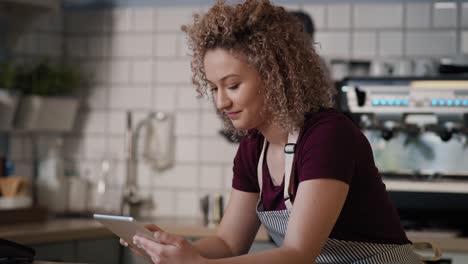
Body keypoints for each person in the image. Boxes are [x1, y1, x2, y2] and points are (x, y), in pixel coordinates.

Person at [121, 1, 422, 263]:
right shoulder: (253, 150)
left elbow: (298, 254)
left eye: (233, 85)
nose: (222, 101)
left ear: (274, 74)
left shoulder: (328, 137)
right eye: (214, 88)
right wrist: (173, 249)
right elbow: (229, 243)